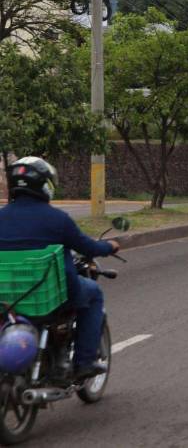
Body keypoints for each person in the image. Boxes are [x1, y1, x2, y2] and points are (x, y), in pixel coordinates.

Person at [0, 157, 120, 380]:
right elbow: (88, 247)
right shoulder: (57, 219)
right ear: (45, 184)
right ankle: (84, 362)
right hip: (50, 296)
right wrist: (110, 245)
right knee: (93, 294)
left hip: (6, 297)